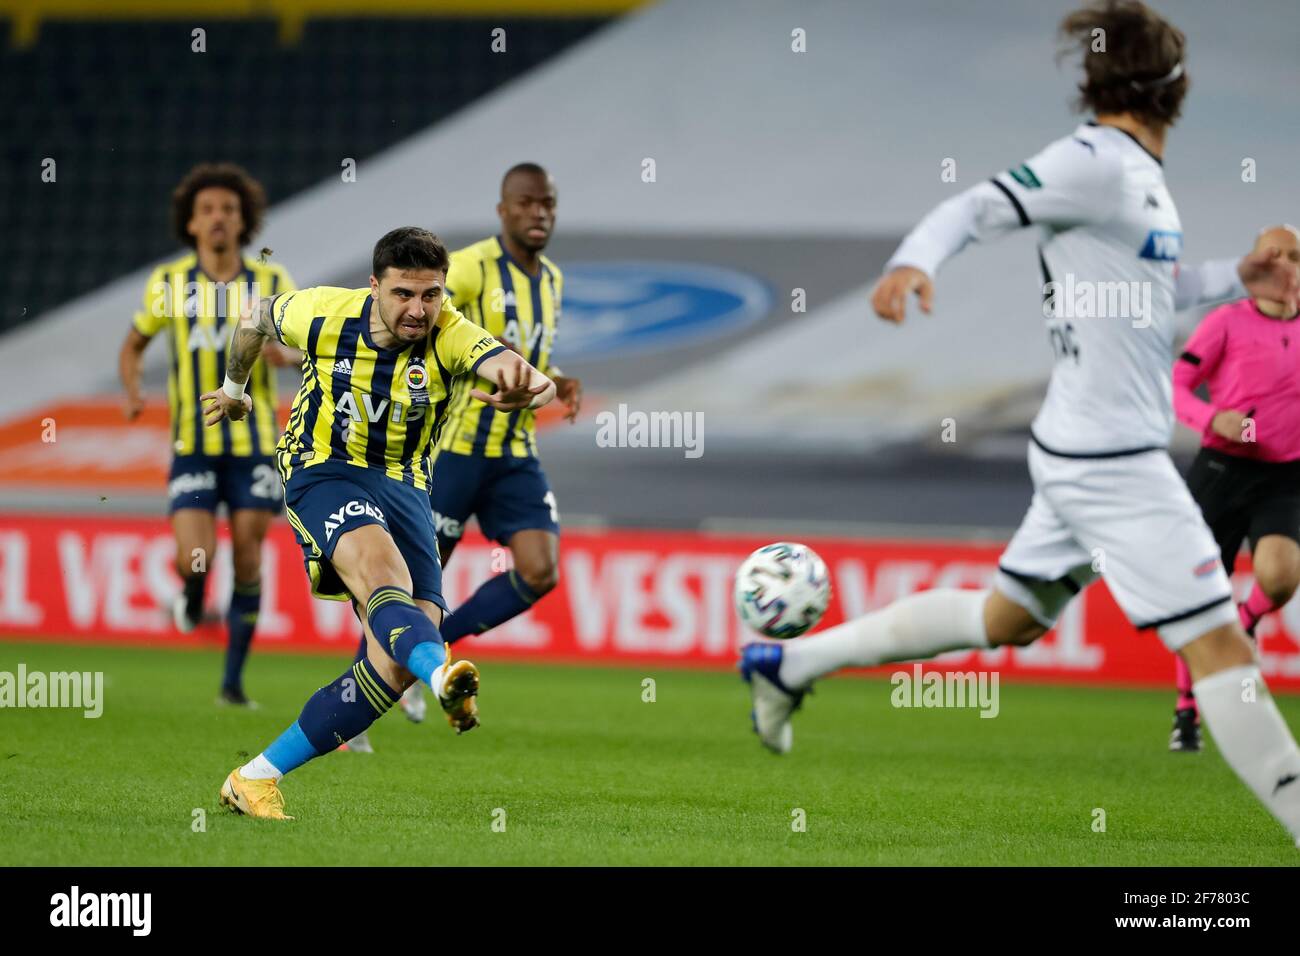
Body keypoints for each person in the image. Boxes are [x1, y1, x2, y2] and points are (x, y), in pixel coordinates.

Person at [740, 0, 1300, 845]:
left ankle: (790, 664)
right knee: (1221, 646)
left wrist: (1236, 272)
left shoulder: (1134, 174)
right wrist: (912, 262)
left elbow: (1148, 287)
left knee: (1007, 621)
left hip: (1082, 446)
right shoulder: (1094, 163)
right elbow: (974, 205)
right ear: (1173, 89)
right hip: (1112, 459)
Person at [206, 226, 555, 819]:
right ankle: (442, 673)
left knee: (389, 667)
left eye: (431, 295)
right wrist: (234, 387)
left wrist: (531, 392)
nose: (418, 310)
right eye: (403, 295)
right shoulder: (321, 312)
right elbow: (255, 317)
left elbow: (524, 376)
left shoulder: (450, 332)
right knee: (379, 572)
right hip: (323, 469)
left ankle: (254, 777)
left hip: (406, 486)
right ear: (374, 287)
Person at [395, 163, 581, 723]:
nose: (538, 212)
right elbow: (421, 319)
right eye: (525, 203)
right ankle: (366, 696)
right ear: (503, 210)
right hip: (454, 449)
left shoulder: (551, 278)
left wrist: (556, 376)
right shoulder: (472, 267)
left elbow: (529, 358)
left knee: (540, 570)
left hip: (515, 454)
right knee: (413, 584)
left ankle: (436, 650)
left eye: (546, 203)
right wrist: (488, 349)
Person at [117, 162, 298, 706]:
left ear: (244, 222)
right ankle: (194, 595)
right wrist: (132, 393)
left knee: (247, 552)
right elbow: (133, 346)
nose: (218, 219)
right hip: (192, 441)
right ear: (191, 224)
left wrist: (282, 354)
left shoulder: (271, 282)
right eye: (208, 211)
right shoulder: (169, 284)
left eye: (228, 210)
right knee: (194, 555)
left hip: (254, 442)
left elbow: (303, 346)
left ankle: (232, 685)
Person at [1168, 224, 1300, 752]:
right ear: (1255, 265)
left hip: (1285, 475)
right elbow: (1176, 385)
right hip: (1222, 469)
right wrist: (1210, 419)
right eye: (1275, 256)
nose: (1286, 266)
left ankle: (1243, 623)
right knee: (1202, 592)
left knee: (1281, 575)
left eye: (1295, 256)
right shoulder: (1225, 323)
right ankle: (1187, 709)